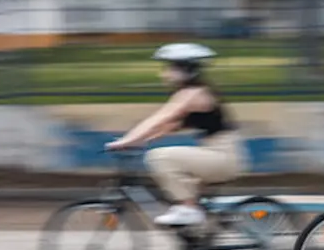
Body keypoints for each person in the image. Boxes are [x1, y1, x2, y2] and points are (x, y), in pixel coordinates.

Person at [105, 43, 245, 227]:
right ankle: (199, 243)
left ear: (186, 69)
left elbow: (160, 118)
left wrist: (127, 140)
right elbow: (167, 125)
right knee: (180, 185)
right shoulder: (191, 93)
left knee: (159, 157)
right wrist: (138, 141)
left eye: (169, 68)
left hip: (222, 157)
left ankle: (188, 208)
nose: (164, 74)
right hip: (216, 154)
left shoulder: (193, 94)